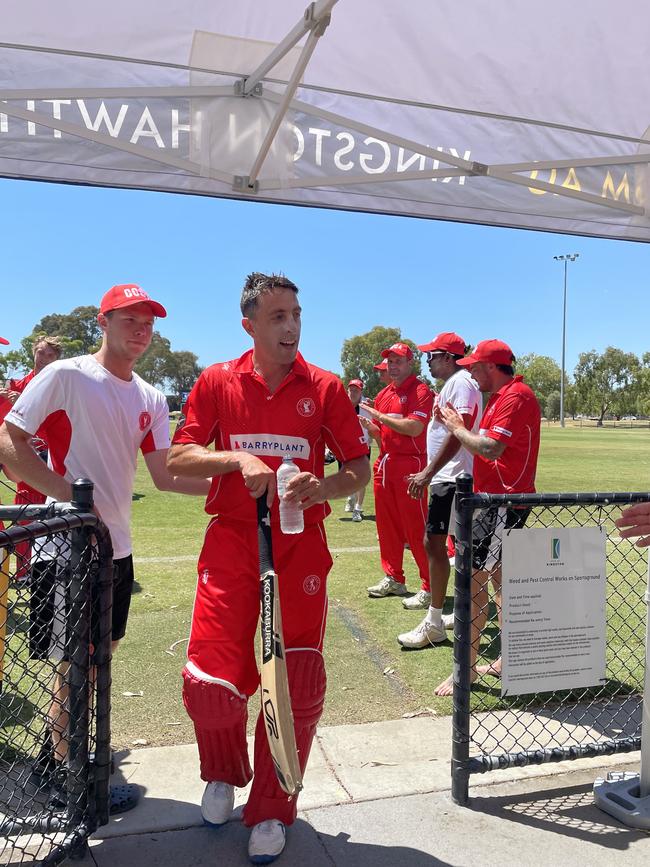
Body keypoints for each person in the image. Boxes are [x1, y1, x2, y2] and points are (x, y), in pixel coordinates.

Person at [166, 272, 370, 865]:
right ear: (249, 324)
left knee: (297, 681)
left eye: (297, 314)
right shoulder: (215, 381)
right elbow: (180, 457)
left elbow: (357, 467)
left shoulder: (326, 387)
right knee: (210, 682)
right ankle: (224, 774)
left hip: (300, 545)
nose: (291, 327)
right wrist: (237, 459)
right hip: (232, 543)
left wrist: (323, 484)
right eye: (278, 316)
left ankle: (273, 807)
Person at [0, 283, 210, 812]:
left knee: (101, 658)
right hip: (69, 545)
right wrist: (72, 499)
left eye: (149, 323)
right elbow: (10, 442)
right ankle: (65, 775)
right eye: (130, 320)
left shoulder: (151, 396)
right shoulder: (67, 374)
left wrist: (238, 482)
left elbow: (163, 476)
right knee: (74, 663)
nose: (141, 331)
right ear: (104, 322)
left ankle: (71, 755)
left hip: (118, 547)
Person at [431, 339, 541, 696]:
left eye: (475, 367)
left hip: (502, 505)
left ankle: (467, 669)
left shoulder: (516, 395)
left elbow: (492, 448)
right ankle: (507, 660)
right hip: (498, 503)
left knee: (474, 584)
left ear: (492, 367)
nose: (470, 372)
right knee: (500, 583)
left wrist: (456, 428)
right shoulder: (503, 396)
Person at [397, 333, 481, 645]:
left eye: (431, 355)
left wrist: (428, 472)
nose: (427, 361)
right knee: (444, 546)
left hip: (453, 477)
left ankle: (436, 619)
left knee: (441, 546)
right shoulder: (455, 384)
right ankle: (458, 610)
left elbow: (461, 430)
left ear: (447, 356)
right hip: (448, 477)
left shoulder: (461, 382)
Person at [361, 342, 433, 600]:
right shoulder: (383, 394)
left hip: (411, 465)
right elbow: (385, 437)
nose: (392, 366)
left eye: (398, 361)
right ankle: (394, 577)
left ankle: (429, 586)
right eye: (390, 362)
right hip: (386, 462)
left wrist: (379, 417)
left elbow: (414, 428)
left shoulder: (421, 390)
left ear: (410, 363)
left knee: (415, 527)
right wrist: (373, 429)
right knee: (387, 526)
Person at [5, 337, 64, 577]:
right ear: (33, 352)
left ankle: (48, 569)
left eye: (50, 355)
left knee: (53, 517)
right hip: (26, 457)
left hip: (54, 459)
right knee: (24, 517)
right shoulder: (16, 385)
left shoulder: (60, 386)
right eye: (40, 352)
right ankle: (23, 572)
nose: (44, 358)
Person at [343, 379, 372, 522]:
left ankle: (358, 509)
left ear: (361, 392)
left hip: (363, 447)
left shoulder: (367, 406)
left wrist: (372, 436)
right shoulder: (341, 404)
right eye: (351, 390)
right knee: (347, 478)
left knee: (362, 480)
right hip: (345, 447)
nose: (353, 392)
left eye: (356, 390)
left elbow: (376, 423)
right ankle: (351, 496)